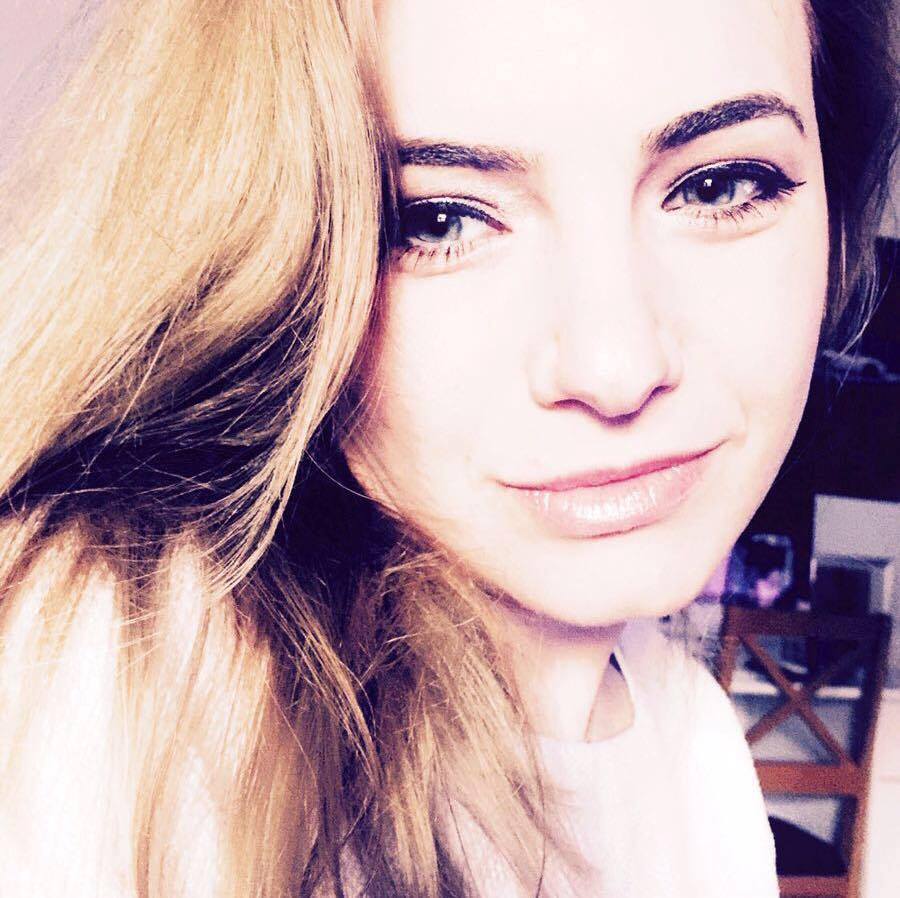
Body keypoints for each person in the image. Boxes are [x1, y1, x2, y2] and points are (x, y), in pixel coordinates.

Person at [0, 1, 895, 897]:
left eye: (721, 185)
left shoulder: (694, 748)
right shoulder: (118, 686)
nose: (616, 369)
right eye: (436, 221)